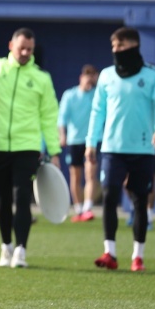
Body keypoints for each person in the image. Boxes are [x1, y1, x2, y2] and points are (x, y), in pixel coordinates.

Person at [87, 27, 155, 272]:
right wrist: (91, 142)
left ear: (134, 46)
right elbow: (97, 111)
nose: (116, 51)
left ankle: (138, 256)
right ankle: (110, 252)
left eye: (121, 46)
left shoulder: (152, 74)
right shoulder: (106, 75)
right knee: (109, 195)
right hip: (112, 148)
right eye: (114, 46)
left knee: (139, 200)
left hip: (143, 149)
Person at [0, 28, 61, 268]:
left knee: (22, 196)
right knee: (2, 199)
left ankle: (21, 250)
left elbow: (49, 116)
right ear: (10, 45)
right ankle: (6, 247)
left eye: (29, 50)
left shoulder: (42, 78)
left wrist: (54, 151)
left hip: (27, 147)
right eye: (21, 48)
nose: (25, 53)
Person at [57, 64, 100, 222]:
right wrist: (62, 136)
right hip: (74, 141)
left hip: (92, 142)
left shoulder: (97, 94)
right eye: (87, 78)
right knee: (75, 176)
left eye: (92, 79)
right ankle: (78, 208)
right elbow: (62, 118)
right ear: (81, 78)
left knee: (91, 174)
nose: (89, 82)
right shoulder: (70, 95)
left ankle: (88, 208)